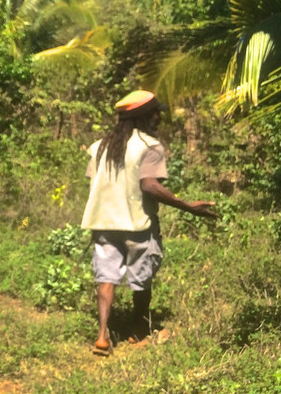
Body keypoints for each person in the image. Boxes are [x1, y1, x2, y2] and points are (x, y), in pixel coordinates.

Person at [81, 90, 217, 356]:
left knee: (106, 278)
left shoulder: (99, 146)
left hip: (103, 224)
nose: (158, 117)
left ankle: (102, 337)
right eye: (155, 113)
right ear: (143, 116)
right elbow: (150, 186)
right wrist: (188, 206)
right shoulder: (150, 146)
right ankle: (138, 331)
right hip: (138, 224)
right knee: (141, 278)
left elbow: (95, 182)